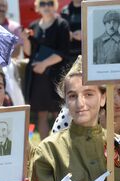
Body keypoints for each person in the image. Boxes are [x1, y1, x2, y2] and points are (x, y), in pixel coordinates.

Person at [22, 0, 70, 139]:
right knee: (41, 115)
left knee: (58, 114)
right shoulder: (34, 26)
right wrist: (25, 40)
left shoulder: (62, 24)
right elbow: (29, 52)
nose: (46, 6)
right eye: (42, 3)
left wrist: (43, 64)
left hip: (56, 75)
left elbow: (63, 52)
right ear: (37, 7)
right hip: (38, 77)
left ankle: (61, 147)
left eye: (50, 3)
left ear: (55, 5)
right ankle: (45, 150)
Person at [60, 0, 82, 65]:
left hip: (87, 52)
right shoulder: (65, 10)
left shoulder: (89, 8)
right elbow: (61, 29)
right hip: (71, 53)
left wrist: (85, 34)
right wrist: (68, 34)